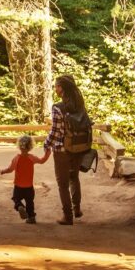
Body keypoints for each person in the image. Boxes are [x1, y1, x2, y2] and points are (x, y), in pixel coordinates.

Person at [44, 74, 94, 225]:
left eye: (57, 86)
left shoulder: (57, 108)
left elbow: (55, 131)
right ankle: (77, 209)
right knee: (74, 178)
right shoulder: (80, 105)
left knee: (63, 184)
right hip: (79, 147)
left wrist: (46, 144)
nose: (55, 89)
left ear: (62, 89)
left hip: (62, 150)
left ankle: (68, 216)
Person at [0, 135, 50, 224]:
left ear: (19, 146)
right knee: (30, 202)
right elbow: (42, 161)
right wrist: (47, 153)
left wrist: (3, 171)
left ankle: (20, 206)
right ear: (30, 146)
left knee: (16, 198)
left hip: (18, 186)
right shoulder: (32, 158)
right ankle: (31, 218)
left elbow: (10, 169)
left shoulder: (16, 158)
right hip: (29, 187)